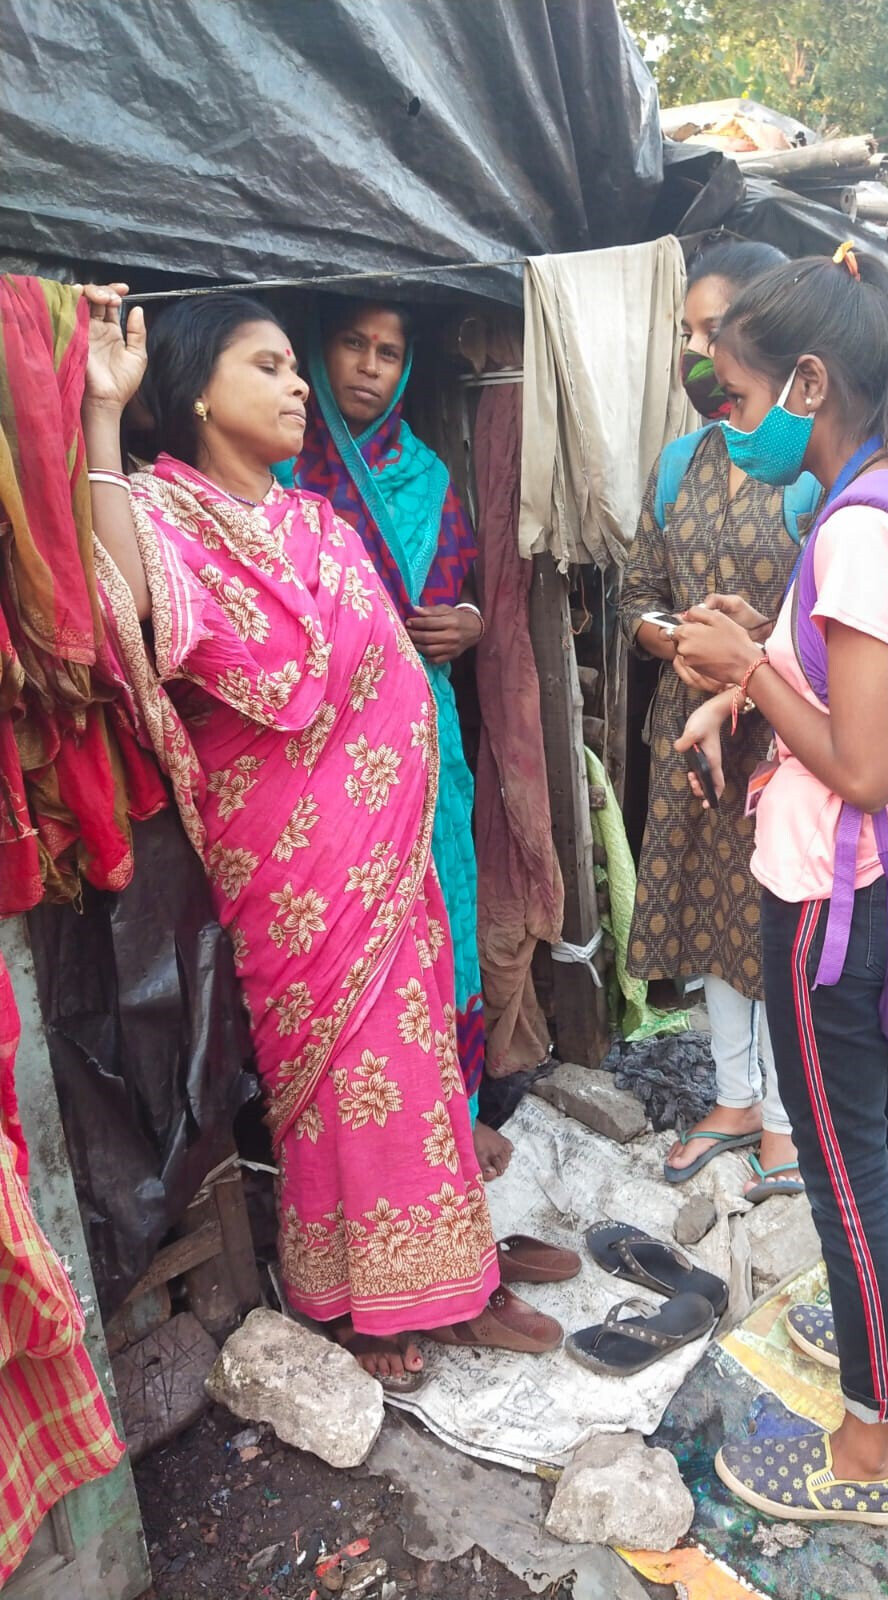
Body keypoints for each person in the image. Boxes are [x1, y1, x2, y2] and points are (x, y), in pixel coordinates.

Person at [81, 286, 560, 1392]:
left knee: (416, 1062)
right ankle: (364, 1298)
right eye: (270, 366)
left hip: (391, 855)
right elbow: (132, 610)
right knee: (345, 1082)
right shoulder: (162, 514)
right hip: (295, 871)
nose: (300, 385)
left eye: (299, 366)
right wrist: (105, 413)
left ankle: (454, 1271)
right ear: (196, 391)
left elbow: (385, 669)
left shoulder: (314, 520)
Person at [673, 246, 888, 1525]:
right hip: (886, 881)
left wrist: (745, 673)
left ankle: (872, 1443)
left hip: (834, 898)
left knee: (837, 1162)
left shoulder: (861, 532)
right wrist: (745, 686)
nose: (729, 422)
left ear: (810, 382)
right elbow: (881, 715)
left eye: (739, 397)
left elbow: (863, 763)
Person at [285, 299, 513, 1183]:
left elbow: (457, 593)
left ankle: (454, 1105)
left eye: (388, 352)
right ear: (320, 347)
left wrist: (469, 621)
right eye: (353, 345)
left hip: (423, 731)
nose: (370, 367)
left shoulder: (428, 478)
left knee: (437, 906)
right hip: (320, 744)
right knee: (349, 929)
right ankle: (366, 1139)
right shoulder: (277, 469)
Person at [618, 240, 808, 1199]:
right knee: (705, 916)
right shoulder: (675, 465)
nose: (697, 354)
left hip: (782, 740)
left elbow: (832, 629)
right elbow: (637, 590)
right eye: (686, 333)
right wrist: (669, 642)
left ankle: (786, 1118)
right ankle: (734, 1096)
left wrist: (753, 652)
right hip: (686, 730)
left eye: (713, 332)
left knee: (774, 922)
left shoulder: (811, 470)